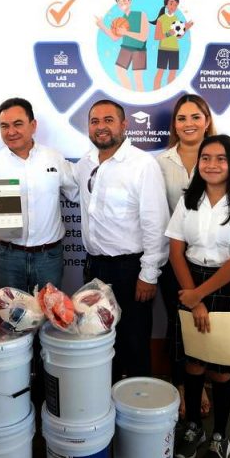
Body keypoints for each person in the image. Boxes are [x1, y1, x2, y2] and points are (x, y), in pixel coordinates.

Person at [169, 134, 230, 458]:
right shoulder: (188, 200)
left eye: (220, 158)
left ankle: (220, 436)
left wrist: (199, 295)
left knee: (221, 369)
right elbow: (176, 251)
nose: (211, 164)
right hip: (190, 281)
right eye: (205, 158)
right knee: (194, 365)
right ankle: (193, 426)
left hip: (229, 286)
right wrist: (193, 297)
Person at [75, 99, 169, 380]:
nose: (101, 127)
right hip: (95, 269)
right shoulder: (84, 164)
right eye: (95, 121)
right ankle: (105, 399)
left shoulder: (142, 164)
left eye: (108, 120)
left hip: (130, 271)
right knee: (100, 339)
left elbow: (155, 223)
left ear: (124, 125)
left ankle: (137, 402)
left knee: (135, 342)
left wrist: (148, 275)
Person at [156, 94, 216, 420]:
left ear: (207, 121)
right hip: (174, 259)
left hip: (212, 261)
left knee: (206, 323)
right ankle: (180, 384)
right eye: (181, 118)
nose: (188, 123)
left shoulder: (222, 157)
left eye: (196, 117)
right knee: (178, 323)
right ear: (174, 125)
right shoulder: (160, 163)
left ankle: (201, 383)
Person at [0, 97, 78, 292]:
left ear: (33, 125)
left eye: (18, 124)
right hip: (9, 257)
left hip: (49, 256)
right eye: (4, 126)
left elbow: (76, 192)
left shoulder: (54, 158)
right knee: (12, 310)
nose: (11, 132)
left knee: (49, 310)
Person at [95, 0, 149, 92]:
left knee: (137, 78)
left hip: (139, 49)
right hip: (126, 48)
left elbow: (143, 37)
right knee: (120, 72)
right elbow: (115, 37)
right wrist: (102, 25)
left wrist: (126, 32)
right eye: (119, 1)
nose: (122, 2)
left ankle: (140, 97)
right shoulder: (121, 19)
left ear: (130, 1)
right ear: (118, 5)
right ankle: (130, 94)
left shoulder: (141, 14)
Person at [150, 0, 194, 91]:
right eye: (171, 4)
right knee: (160, 72)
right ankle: (156, 92)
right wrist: (168, 34)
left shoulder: (177, 19)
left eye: (175, 5)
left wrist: (186, 28)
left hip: (175, 49)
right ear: (166, 5)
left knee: (172, 73)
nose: (173, 7)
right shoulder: (161, 19)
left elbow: (179, 36)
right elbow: (156, 36)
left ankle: (169, 92)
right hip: (163, 49)